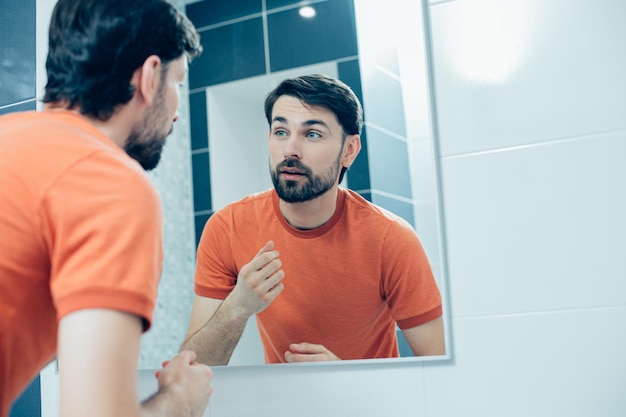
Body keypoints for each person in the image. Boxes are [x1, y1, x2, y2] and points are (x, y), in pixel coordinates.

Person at [0, 1, 214, 416]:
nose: (176, 111)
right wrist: (182, 399)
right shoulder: (109, 183)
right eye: (179, 84)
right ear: (150, 76)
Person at [181, 74, 445, 365]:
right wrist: (237, 306)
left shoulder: (391, 238)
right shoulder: (227, 227)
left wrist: (344, 379)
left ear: (349, 150)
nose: (290, 149)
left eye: (312, 134)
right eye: (281, 131)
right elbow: (192, 370)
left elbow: (439, 373)